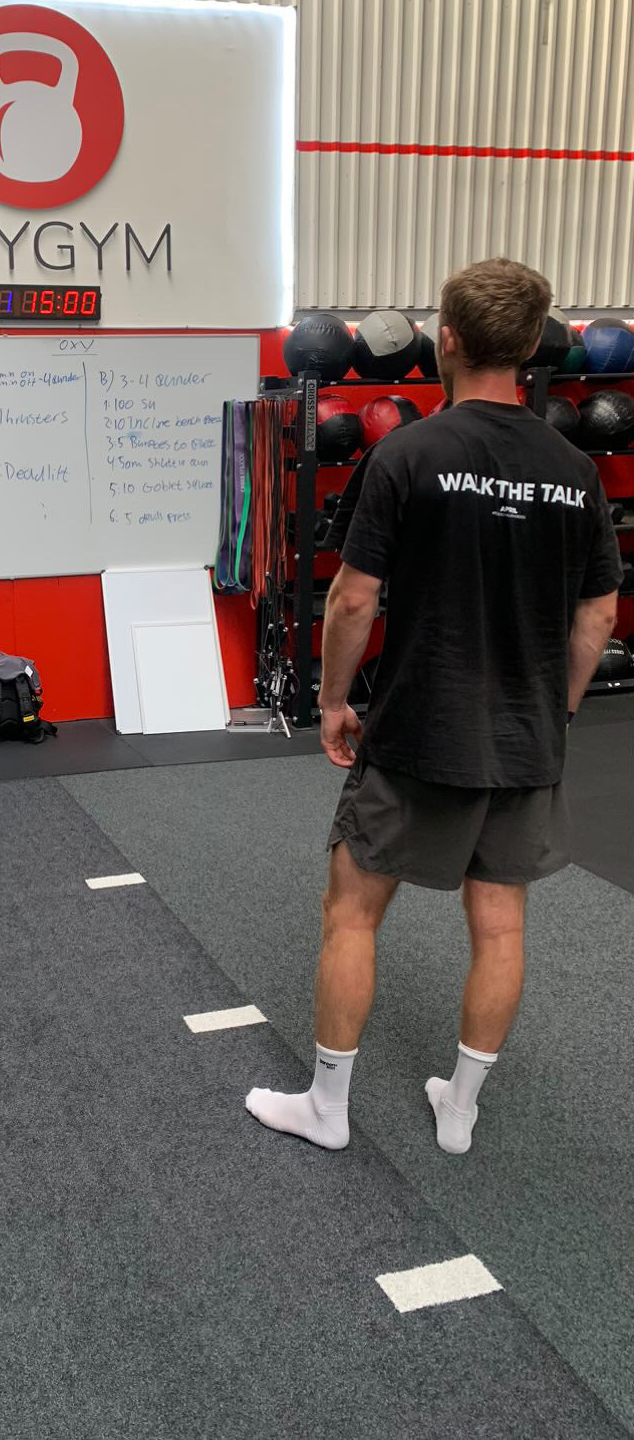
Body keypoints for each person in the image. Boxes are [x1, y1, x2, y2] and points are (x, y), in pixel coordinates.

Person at [247, 258, 623, 1154]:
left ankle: (328, 1110)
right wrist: (557, 710)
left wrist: (332, 702)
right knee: (499, 924)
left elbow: (350, 599)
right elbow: (599, 613)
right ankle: (460, 1108)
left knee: (352, 911)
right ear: (532, 347)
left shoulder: (407, 453)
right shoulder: (575, 468)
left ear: (444, 338)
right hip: (526, 734)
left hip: (420, 727)